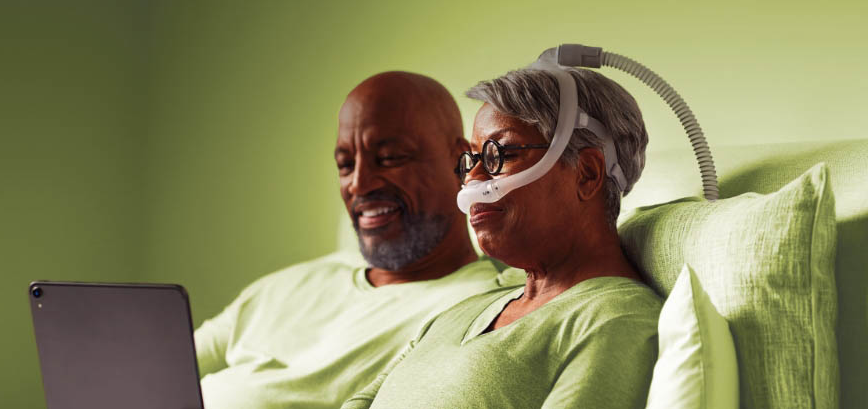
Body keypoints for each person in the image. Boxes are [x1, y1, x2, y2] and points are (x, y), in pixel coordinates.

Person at [342, 67, 663, 409]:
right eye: (472, 161)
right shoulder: (463, 312)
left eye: (502, 155)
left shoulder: (616, 321)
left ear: (587, 174)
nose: (473, 181)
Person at [193, 71, 517, 409]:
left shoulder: (485, 307)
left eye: (390, 158)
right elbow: (154, 372)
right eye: (346, 165)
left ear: (461, 162)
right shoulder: (284, 287)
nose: (360, 185)